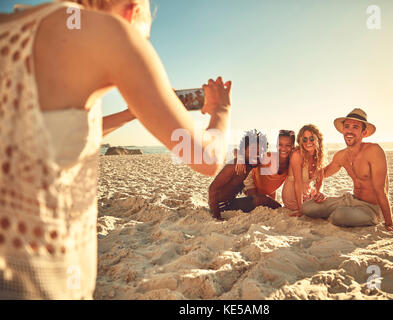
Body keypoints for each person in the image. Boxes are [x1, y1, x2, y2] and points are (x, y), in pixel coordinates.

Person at [0, 0, 232, 299]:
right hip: (36, 278)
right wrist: (221, 110)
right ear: (132, 11)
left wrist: (130, 113)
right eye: (143, 38)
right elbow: (207, 158)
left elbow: (52, 132)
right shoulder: (113, 33)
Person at [302, 108, 393, 232]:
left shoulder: (374, 151)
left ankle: (346, 215)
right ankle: (343, 213)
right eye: (347, 126)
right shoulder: (341, 155)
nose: (349, 131)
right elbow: (321, 174)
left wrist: (389, 224)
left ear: (364, 132)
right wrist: (318, 190)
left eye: (355, 127)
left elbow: (381, 190)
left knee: (338, 216)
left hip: (371, 208)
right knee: (307, 207)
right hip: (350, 200)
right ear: (343, 130)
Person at [208, 130, 281, 220]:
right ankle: (282, 210)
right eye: (253, 151)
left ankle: (281, 209)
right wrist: (216, 216)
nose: (256, 155)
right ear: (243, 150)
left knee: (259, 197)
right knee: (262, 199)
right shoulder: (234, 165)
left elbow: (235, 150)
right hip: (220, 206)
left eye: (260, 152)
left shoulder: (252, 162)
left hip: (230, 202)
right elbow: (212, 189)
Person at [236, 130, 295, 200]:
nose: (283, 148)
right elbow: (236, 150)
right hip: (252, 181)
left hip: (270, 190)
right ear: (276, 145)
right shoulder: (268, 157)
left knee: (273, 204)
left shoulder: (292, 162)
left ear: (293, 146)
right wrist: (240, 159)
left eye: (288, 145)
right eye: (280, 144)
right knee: (254, 200)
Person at [281, 125, 327, 216]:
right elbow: (297, 183)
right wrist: (300, 209)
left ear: (318, 139)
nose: (308, 142)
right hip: (293, 197)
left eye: (311, 138)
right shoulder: (297, 155)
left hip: (308, 194)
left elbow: (320, 181)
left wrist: (319, 193)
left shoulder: (319, 156)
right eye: (304, 139)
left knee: (325, 202)